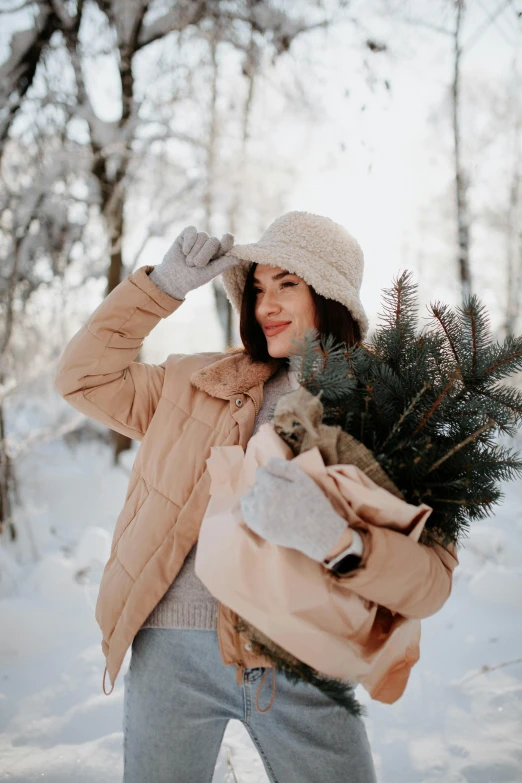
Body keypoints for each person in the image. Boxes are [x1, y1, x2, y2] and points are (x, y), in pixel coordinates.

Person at [54, 211, 456, 782]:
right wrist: (160, 289)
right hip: (173, 653)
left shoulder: (383, 411)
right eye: (258, 286)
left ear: (331, 295)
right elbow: (82, 378)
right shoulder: (196, 383)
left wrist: (339, 543)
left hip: (303, 662)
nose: (264, 303)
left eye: (286, 284)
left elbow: (432, 580)